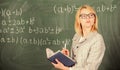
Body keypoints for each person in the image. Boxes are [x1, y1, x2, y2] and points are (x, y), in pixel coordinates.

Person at [51, 5, 106, 70]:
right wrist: (66, 57)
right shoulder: (77, 36)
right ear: (79, 20)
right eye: (84, 16)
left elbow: (91, 68)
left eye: (91, 15)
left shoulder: (97, 39)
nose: (88, 18)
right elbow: (76, 63)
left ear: (94, 19)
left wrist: (66, 69)